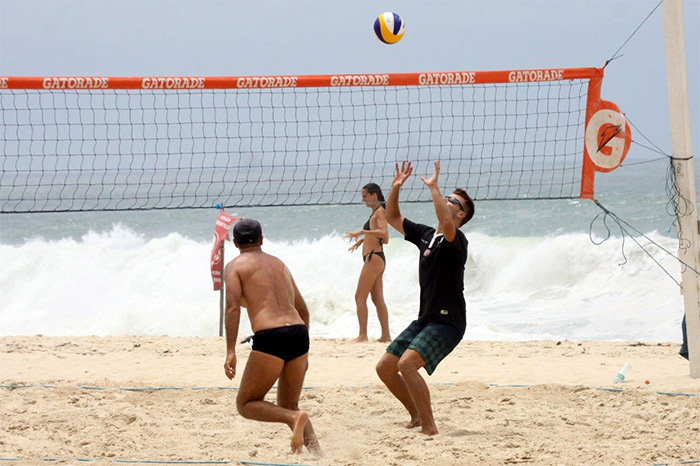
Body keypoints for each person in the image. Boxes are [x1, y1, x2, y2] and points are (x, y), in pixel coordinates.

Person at [376, 160, 475, 436]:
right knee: (385, 368)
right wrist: (395, 188)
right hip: (426, 318)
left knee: (407, 365)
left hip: (448, 322)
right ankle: (417, 415)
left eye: (452, 200)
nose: (446, 200)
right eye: (447, 197)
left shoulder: (458, 241)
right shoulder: (427, 236)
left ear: (462, 215)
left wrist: (433, 187)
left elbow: (445, 219)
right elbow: (393, 218)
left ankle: (430, 427)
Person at [223, 218, 320, 455]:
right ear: (262, 239)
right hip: (298, 332)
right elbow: (304, 309)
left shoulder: (235, 266)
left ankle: (293, 418)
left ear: (235, 243)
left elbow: (233, 308)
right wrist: (303, 349)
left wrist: (231, 350)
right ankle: (318, 455)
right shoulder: (280, 264)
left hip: (271, 335)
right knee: (289, 403)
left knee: (246, 404)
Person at [345, 183, 392, 342]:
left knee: (359, 296)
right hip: (374, 257)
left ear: (374, 195)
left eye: (365, 196)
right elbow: (378, 235)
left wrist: (362, 232)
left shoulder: (380, 212)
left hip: (374, 257)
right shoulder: (375, 212)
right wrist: (362, 241)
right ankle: (386, 336)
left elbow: (384, 236)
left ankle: (362, 335)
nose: (363, 199)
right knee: (377, 299)